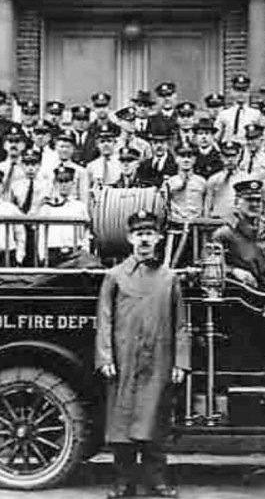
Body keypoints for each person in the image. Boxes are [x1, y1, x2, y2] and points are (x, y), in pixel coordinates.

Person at [95, 210, 189, 499]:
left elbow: (181, 324)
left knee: (155, 421)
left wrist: (180, 362)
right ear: (129, 238)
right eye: (139, 234)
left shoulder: (169, 278)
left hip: (158, 360)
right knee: (122, 423)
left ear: (159, 238)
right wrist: (106, 358)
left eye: (150, 234)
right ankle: (124, 482)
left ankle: (157, 480)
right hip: (124, 361)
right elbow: (105, 319)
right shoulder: (115, 276)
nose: (144, 239)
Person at [211, 179, 265, 292]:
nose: (254, 205)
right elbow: (211, 268)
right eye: (249, 200)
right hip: (239, 293)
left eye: (258, 201)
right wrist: (233, 271)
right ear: (237, 203)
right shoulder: (224, 234)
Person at [35, 166, 94, 267]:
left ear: (73, 183)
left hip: (75, 251)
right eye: (60, 181)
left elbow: (86, 232)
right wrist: (42, 255)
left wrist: (85, 250)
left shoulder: (79, 207)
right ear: (55, 183)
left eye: (67, 181)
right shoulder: (47, 207)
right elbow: (42, 233)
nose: (63, 185)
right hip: (54, 251)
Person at [37, 130, 91, 205]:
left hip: (72, 209)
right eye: (61, 146)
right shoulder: (47, 169)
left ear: (73, 149)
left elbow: (84, 197)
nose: (64, 150)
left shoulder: (80, 171)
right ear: (56, 147)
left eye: (68, 147)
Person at [203, 141, 248, 220]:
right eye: (226, 156)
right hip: (217, 220)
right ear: (221, 157)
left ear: (239, 156)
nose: (230, 159)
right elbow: (208, 205)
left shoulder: (246, 179)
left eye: (233, 156)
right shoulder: (214, 179)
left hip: (237, 221)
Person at [162, 144, 206, 223]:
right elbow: (165, 205)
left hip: (197, 223)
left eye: (189, 157)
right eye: (182, 156)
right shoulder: (170, 182)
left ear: (194, 160)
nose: (186, 160)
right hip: (175, 223)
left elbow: (206, 206)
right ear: (176, 159)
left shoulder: (202, 182)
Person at [215, 74, 260, 145]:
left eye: (244, 91)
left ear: (248, 93)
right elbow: (216, 138)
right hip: (228, 151)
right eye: (237, 91)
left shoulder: (256, 114)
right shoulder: (223, 114)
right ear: (232, 92)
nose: (241, 94)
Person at [0, 124, 31, 202]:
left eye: (17, 141)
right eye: (10, 141)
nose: (13, 145)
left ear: (24, 145)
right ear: (4, 145)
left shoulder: (28, 169)